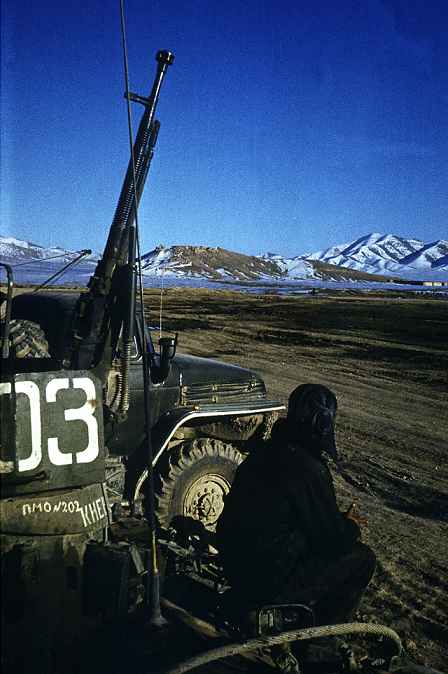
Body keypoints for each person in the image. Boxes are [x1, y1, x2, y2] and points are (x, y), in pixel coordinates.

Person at [216, 383, 376, 629]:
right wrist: (350, 526)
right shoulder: (309, 468)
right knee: (362, 559)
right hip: (267, 579)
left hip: (234, 567)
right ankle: (315, 644)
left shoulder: (263, 451)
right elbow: (332, 542)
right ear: (323, 422)